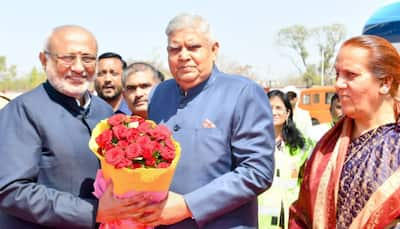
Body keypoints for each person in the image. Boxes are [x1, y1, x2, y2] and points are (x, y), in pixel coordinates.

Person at [0, 25, 150, 228]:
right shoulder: (24, 110)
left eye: (87, 58)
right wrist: (93, 210)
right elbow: (11, 190)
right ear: (45, 60)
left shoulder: (103, 112)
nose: (79, 67)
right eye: (68, 58)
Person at [146, 13, 275, 228]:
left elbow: (257, 171)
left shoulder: (243, 93)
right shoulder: (158, 94)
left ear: (214, 50)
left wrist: (188, 205)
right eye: (175, 49)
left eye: (193, 47)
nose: (183, 56)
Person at [289, 35, 400, 228]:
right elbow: (301, 215)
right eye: (337, 74)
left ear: (385, 83)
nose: (338, 84)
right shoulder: (326, 149)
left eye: (351, 75)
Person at [258, 90, 314, 229]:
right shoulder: (253, 144)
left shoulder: (301, 147)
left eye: (278, 108)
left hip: (292, 218)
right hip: (260, 220)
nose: (273, 112)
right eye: (269, 107)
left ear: (288, 113)